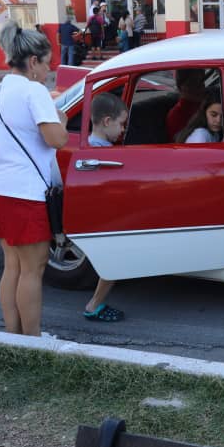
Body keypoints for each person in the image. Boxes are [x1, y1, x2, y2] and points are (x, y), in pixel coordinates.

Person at [0, 22, 68, 336]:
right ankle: (33, 340)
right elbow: (57, 139)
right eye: (47, 63)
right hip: (22, 193)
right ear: (32, 62)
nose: (49, 70)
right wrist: (61, 120)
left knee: (12, 264)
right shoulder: (34, 91)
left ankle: (13, 336)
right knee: (33, 268)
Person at [83, 93, 129, 322]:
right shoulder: (101, 154)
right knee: (114, 260)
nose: (123, 129)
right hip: (105, 220)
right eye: (121, 124)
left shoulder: (91, 148)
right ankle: (94, 305)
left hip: (102, 217)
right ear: (107, 121)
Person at [164, 68, 206, 142]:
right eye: (193, 83)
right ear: (181, 87)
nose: (201, 86)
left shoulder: (205, 104)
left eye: (201, 81)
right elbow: (180, 143)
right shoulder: (176, 115)